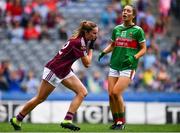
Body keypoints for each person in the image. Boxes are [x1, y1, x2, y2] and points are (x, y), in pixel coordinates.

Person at [10, 20, 98, 131]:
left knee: (82, 92)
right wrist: (91, 48)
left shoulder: (82, 41)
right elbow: (87, 64)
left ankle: (67, 120)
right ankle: (17, 119)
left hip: (64, 71)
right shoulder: (80, 42)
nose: (96, 36)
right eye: (94, 33)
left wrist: (89, 46)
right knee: (40, 98)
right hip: (54, 70)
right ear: (86, 32)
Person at [98, 5, 146, 130]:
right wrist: (104, 52)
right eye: (124, 10)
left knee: (116, 92)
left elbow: (144, 49)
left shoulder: (138, 30)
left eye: (128, 11)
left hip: (128, 66)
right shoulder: (117, 29)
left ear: (133, 15)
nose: (125, 12)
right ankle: (116, 121)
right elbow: (113, 45)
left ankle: (122, 122)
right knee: (110, 95)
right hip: (114, 65)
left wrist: (134, 57)